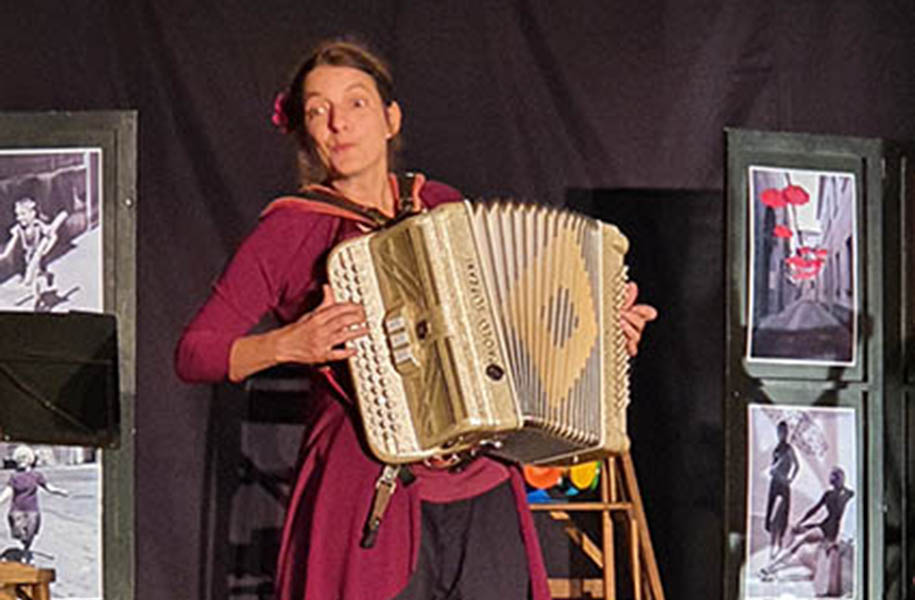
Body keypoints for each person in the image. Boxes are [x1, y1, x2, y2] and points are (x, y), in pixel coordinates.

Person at [175, 39, 658, 600]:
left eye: (355, 103)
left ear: (390, 117)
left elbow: (507, 335)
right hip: (370, 488)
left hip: (481, 484)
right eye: (316, 110)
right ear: (305, 131)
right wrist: (289, 343)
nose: (337, 123)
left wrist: (601, 336)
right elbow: (194, 352)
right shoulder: (288, 231)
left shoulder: (444, 207)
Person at [759, 466, 854, 581]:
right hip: (826, 527)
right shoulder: (829, 494)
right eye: (833, 477)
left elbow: (851, 516)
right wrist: (801, 521)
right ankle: (771, 567)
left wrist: (844, 536)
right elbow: (814, 509)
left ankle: (774, 570)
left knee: (815, 559)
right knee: (800, 540)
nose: (835, 480)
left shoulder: (850, 495)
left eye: (838, 477)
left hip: (840, 531)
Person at [0, 445, 69, 563]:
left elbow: (48, 487)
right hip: (17, 509)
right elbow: (8, 491)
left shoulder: (36, 476)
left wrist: (59, 491)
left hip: (32, 509)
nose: (21, 462)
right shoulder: (15, 477)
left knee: (30, 533)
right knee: (19, 533)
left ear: (30, 460)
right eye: (19, 459)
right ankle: (24, 546)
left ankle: (26, 551)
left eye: (24, 459)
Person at [0, 197, 68, 289]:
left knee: (39, 271)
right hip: (28, 254)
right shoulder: (18, 229)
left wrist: (46, 250)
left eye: (23, 214)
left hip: (39, 253)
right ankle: (38, 292)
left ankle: (46, 278)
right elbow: (13, 242)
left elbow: (53, 237)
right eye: (18, 215)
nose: (20, 218)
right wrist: (5, 254)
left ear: (33, 213)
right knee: (33, 274)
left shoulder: (38, 225)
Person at [763, 420, 798, 558]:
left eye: (784, 432)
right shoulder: (776, 449)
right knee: (771, 516)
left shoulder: (789, 449)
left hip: (784, 484)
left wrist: (790, 479)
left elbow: (797, 466)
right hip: (774, 483)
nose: (782, 434)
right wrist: (773, 469)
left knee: (781, 515)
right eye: (779, 432)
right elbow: (773, 466)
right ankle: (772, 547)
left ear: (787, 433)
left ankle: (779, 545)